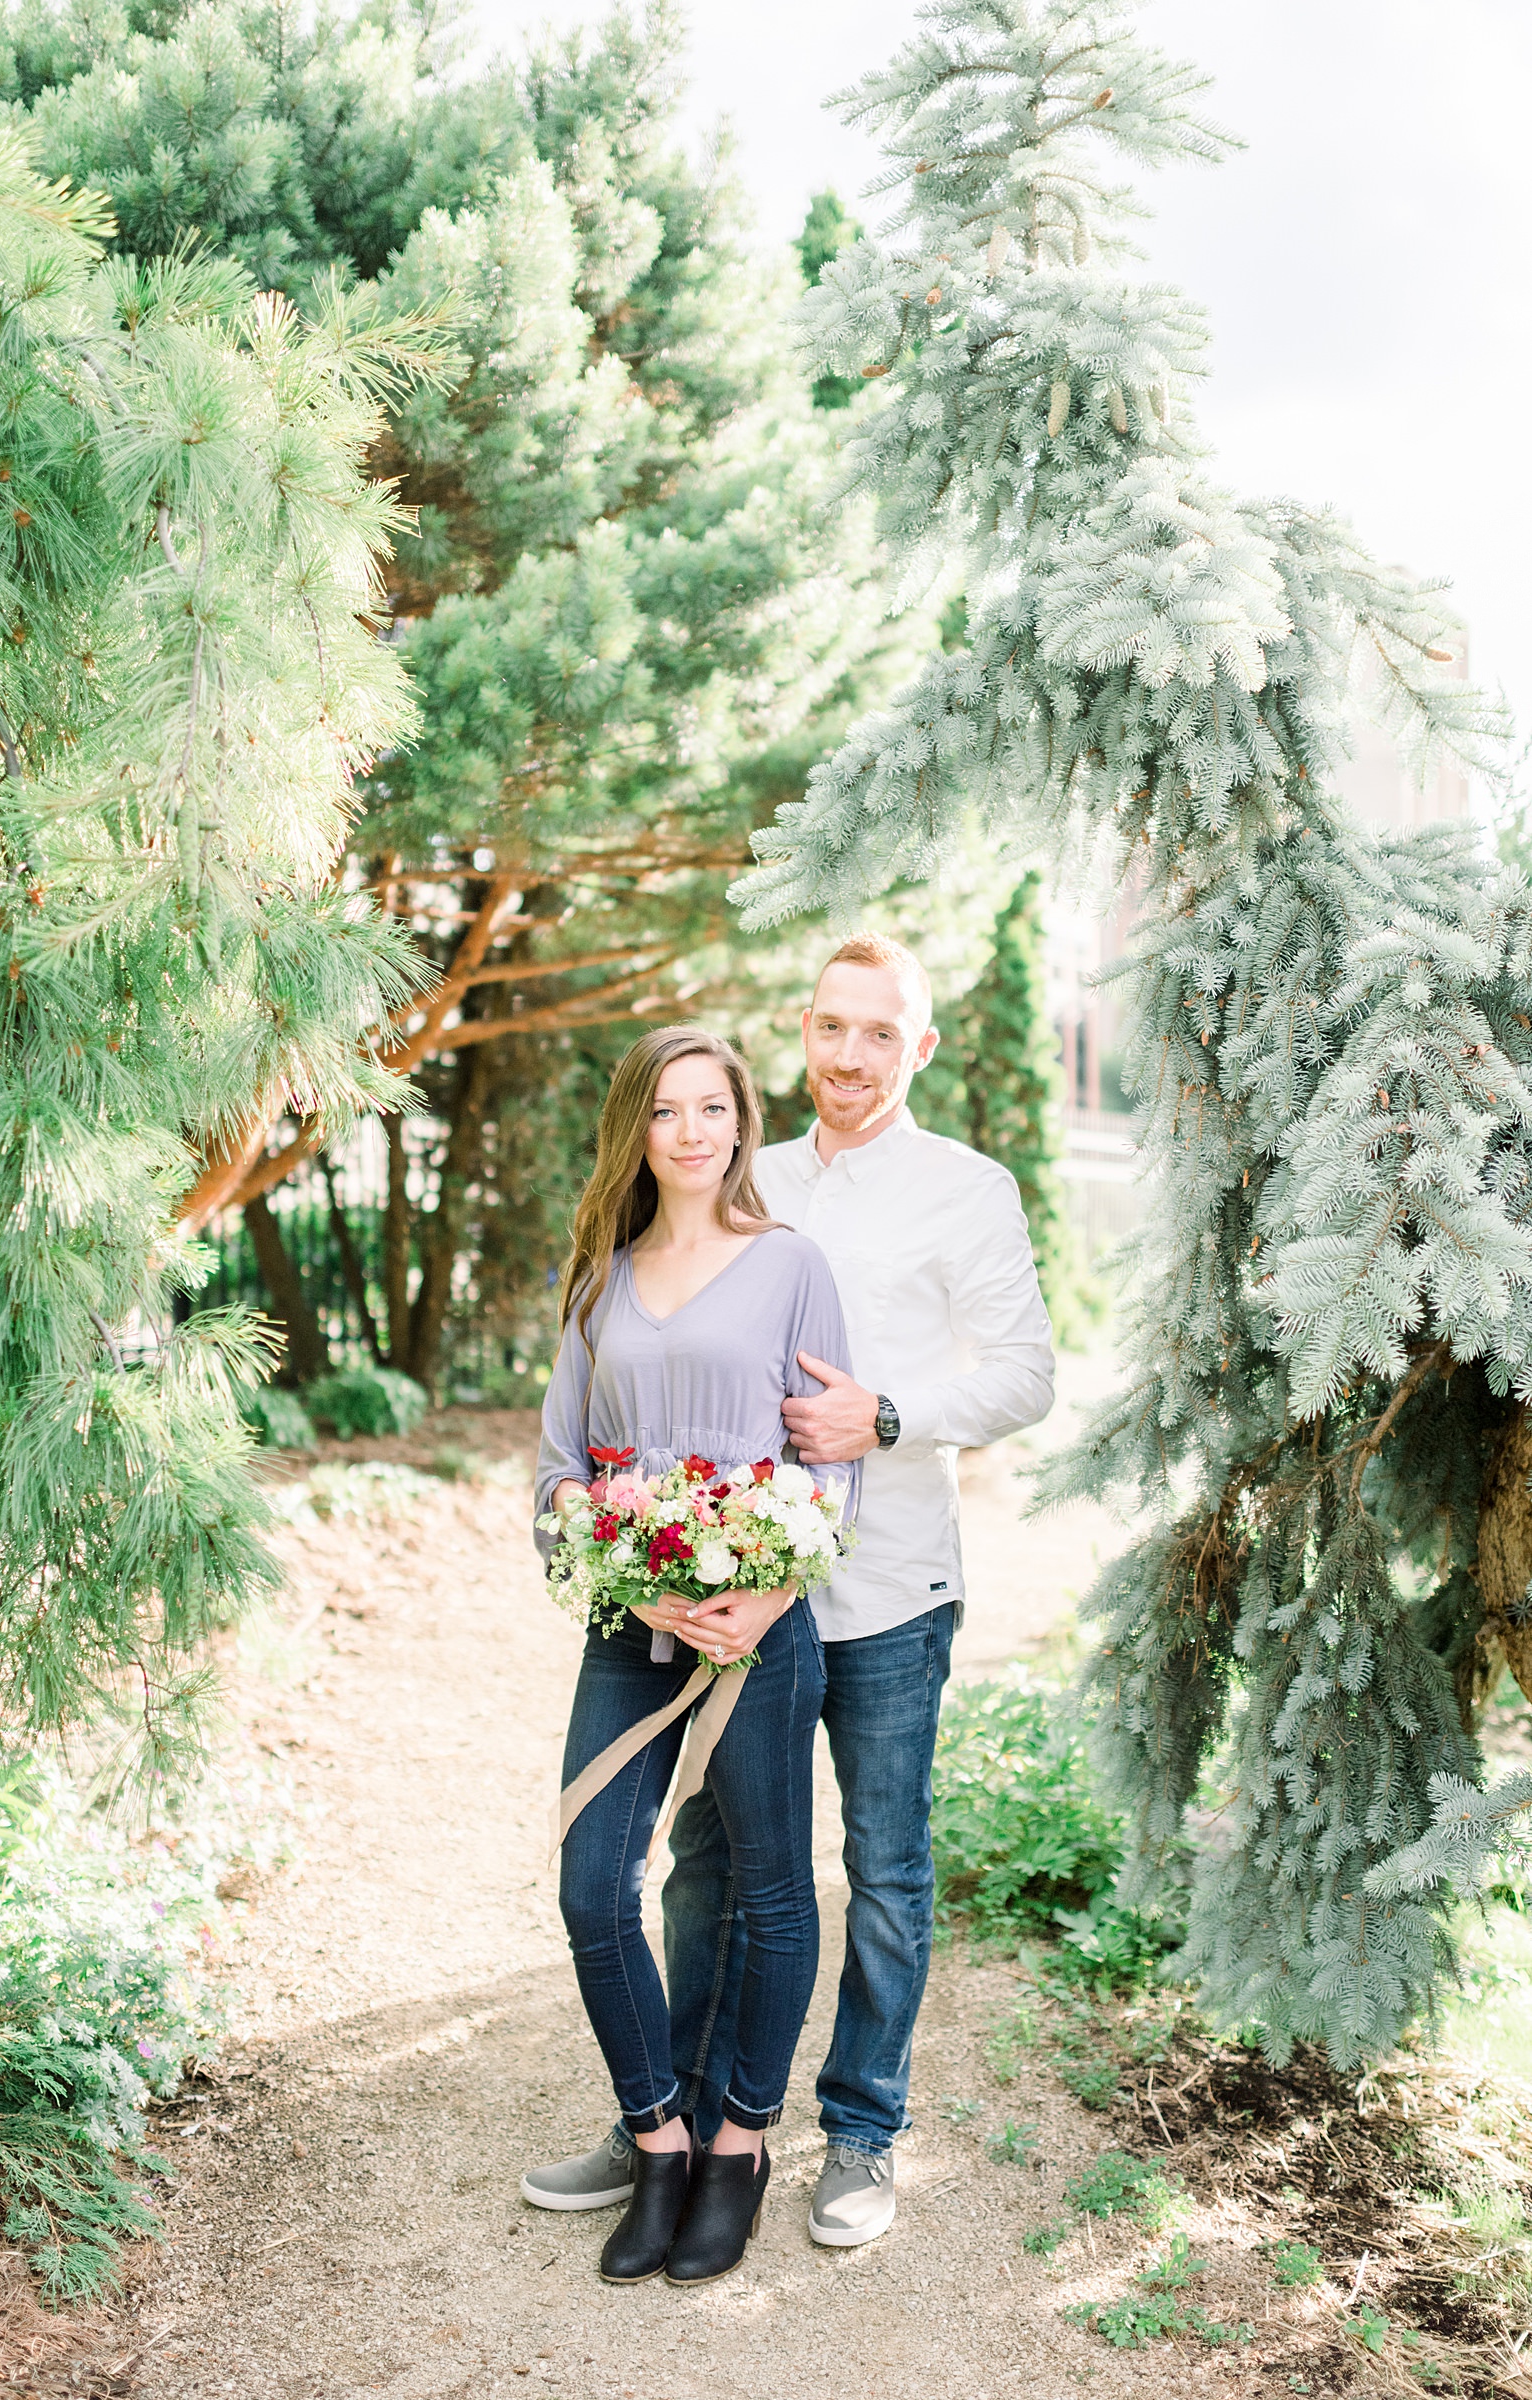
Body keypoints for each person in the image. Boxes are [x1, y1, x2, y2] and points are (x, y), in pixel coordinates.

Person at [524, 934, 1055, 2248]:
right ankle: (685, 2120)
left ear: (915, 1046)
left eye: (879, 1033)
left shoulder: (966, 1189)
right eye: (830, 1028)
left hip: (884, 1590)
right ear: (802, 1035)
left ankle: (859, 2131)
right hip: (723, 1601)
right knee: (707, 1863)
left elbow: (1025, 1376)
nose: (850, 1054)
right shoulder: (739, 1178)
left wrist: (887, 1416)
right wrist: (646, 1561)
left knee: (880, 1869)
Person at [534, 1024, 859, 2287]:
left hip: (758, 1628)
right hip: (634, 1629)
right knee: (589, 1884)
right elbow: (563, 1475)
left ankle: (740, 2147)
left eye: (713, 1107)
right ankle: (658, 2137)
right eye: (667, 1111)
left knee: (773, 1890)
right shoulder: (598, 1282)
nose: (692, 1131)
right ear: (638, 1129)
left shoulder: (789, 1267)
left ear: (742, 1121)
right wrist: (627, 1581)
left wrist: (769, 1592)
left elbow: (828, 1452)